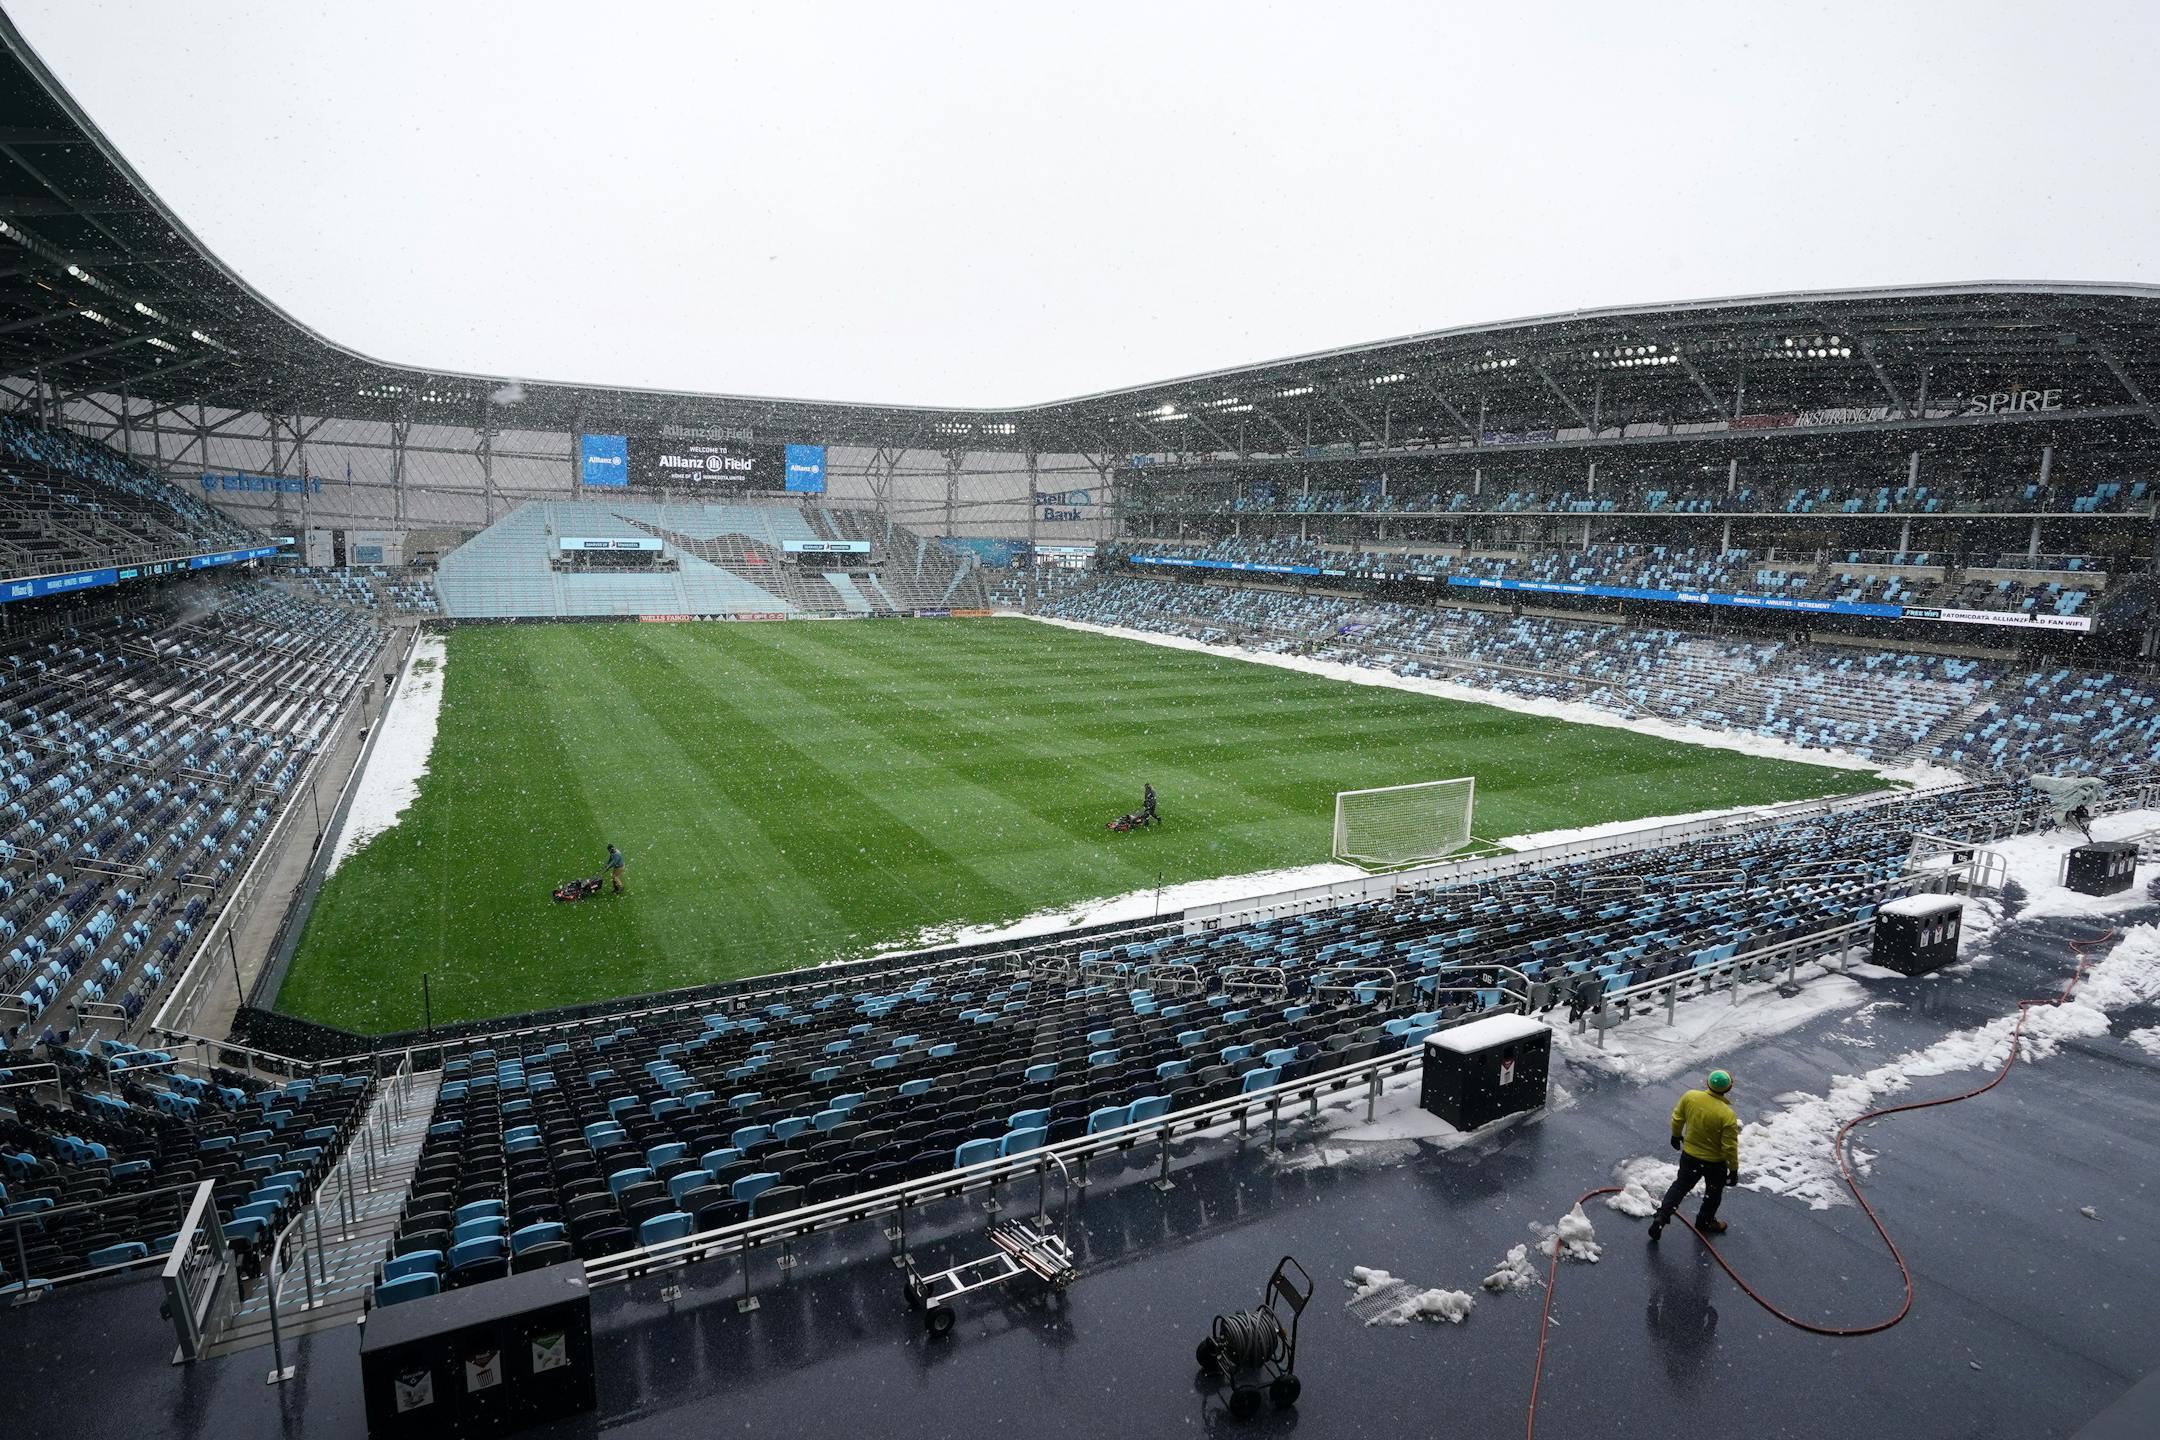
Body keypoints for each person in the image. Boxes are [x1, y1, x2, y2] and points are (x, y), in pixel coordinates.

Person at [1649, 1069, 1739, 1241]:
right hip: (1715, 1163)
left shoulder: (1691, 1096)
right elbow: (1729, 1146)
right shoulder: (1727, 1114)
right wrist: (1733, 1170)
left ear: (1707, 1083)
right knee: (1713, 1194)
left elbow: (1677, 1118)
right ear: (1728, 1089)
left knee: (1680, 1186)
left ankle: (1662, 1215)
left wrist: (1676, 1135)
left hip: (1690, 1156)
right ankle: (1705, 1222)